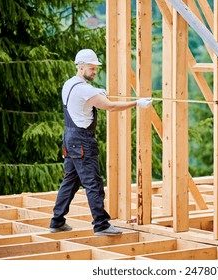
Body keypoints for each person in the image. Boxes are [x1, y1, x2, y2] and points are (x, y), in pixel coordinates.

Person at [49, 49, 152, 236]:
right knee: (93, 183)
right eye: (92, 68)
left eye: (96, 68)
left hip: (70, 139)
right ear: (81, 67)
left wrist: (96, 91)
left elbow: (85, 96)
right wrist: (137, 103)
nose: (95, 72)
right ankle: (101, 225)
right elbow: (110, 107)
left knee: (70, 182)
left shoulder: (70, 84)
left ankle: (57, 221)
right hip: (82, 141)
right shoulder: (84, 89)